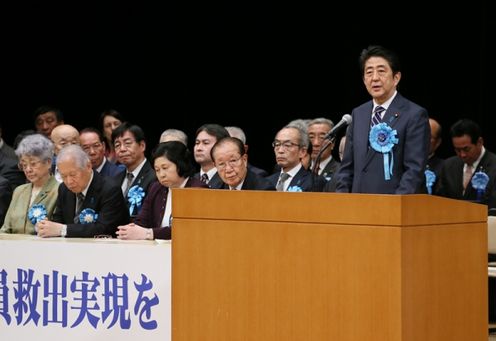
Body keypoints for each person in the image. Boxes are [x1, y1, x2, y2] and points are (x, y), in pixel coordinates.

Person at [334, 45, 430, 194]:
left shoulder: (414, 114)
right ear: (364, 79)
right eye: (369, 72)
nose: (375, 78)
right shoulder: (358, 113)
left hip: (391, 207)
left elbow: (414, 170)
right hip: (356, 207)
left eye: (381, 71)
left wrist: (394, 206)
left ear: (396, 78)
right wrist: (342, 199)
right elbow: (347, 167)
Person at [116, 141, 207, 240]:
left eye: (165, 168)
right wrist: (131, 230)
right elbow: (142, 220)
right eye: (157, 170)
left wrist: (149, 233)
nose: (161, 174)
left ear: (180, 164)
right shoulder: (156, 188)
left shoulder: (198, 189)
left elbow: (188, 228)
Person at [36, 145, 129, 238]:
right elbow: (58, 221)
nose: (69, 181)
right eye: (63, 176)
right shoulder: (63, 189)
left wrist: (63, 229)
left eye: (73, 175)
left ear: (88, 166)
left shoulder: (110, 189)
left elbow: (104, 228)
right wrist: (47, 227)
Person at [1, 134, 59, 234]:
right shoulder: (19, 191)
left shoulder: (59, 190)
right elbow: (6, 228)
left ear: (48, 162)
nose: (28, 169)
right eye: (24, 164)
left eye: (33, 164)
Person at [436, 119, 496, 210]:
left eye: (466, 149)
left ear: (479, 142)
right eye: (457, 150)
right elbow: (440, 200)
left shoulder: (494, 165)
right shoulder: (448, 166)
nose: (462, 155)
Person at [112, 122, 156, 219]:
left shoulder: (154, 177)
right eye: (117, 145)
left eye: (127, 143)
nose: (122, 149)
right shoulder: (115, 179)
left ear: (142, 146)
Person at [267, 125, 325, 192]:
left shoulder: (314, 182)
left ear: (302, 152)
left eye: (287, 145)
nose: (280, 150)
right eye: (277, 144)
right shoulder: (267, 181)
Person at [193, 124, 230, 189]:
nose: (199, 148)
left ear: (221, 146)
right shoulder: (190, 180)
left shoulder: (229, 179)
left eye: (206, 143)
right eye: (197, 143)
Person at [307, 117, 340, 182]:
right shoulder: (300, 169)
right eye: (311, 137)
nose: (316, 143)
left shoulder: (341, 171)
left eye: (322, 137)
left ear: (333, 143)